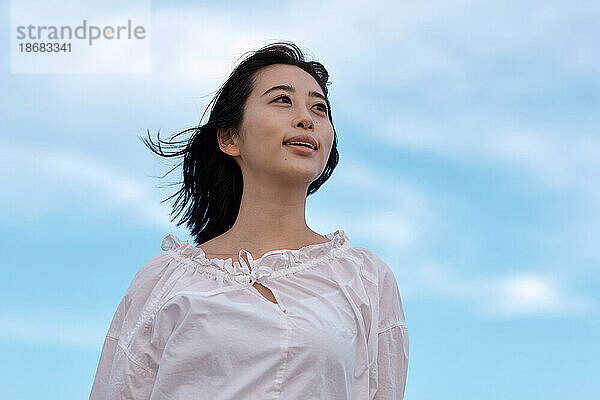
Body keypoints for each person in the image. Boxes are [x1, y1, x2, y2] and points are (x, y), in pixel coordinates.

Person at [89, 41, 409, 399]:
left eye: (320, 108)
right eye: (282, 100)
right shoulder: (161, 282)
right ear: (230, 137)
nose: (306, 118)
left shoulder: (365, 278)